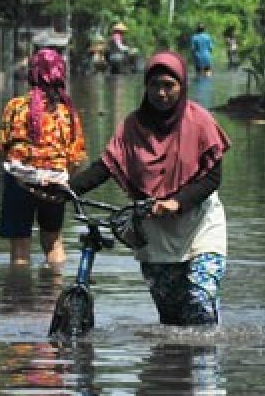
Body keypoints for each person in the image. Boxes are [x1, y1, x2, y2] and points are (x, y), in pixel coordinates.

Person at [67, 51, 230, 326]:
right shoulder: (132, 126)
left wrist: (177, 202)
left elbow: (212, 177)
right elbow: (106, 167)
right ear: (146, 87)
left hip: (200, 224)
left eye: (169, 85)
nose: (162, 93)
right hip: (154, 227)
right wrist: (65, 189)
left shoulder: (200, 122)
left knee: (200, 302)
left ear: (182, 86)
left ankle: (206, 364)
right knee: (171, 318)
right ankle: (169, 367)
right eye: (155, 85)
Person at [0, 48, 86, 266]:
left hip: (20, 181)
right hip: (56, 183)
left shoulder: (16, 106)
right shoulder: (67, 112)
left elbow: (0, 147)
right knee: (54, 242)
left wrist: (14, 173)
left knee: (20, 248)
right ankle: (55, 295)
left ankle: (19, 297)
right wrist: (61, 178)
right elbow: (77, 157)